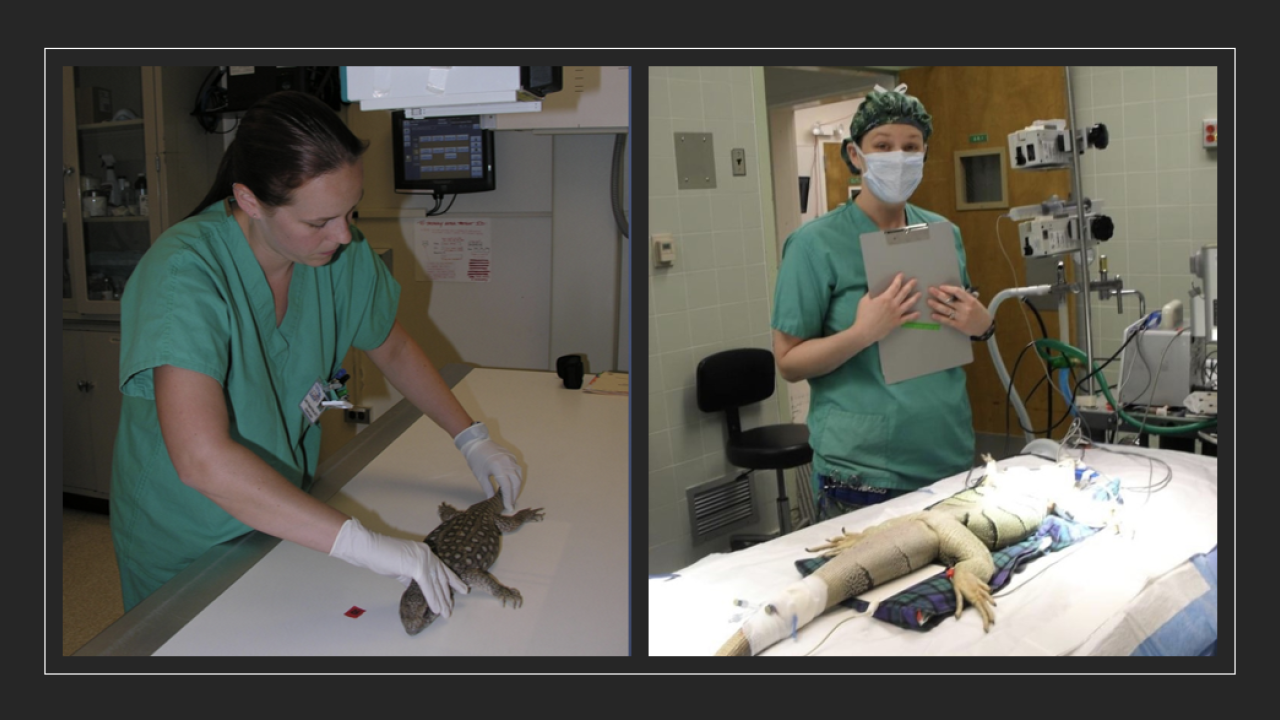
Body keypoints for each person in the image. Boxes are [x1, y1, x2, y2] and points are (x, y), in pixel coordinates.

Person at [109, 90, 524, 616]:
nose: (343, 235)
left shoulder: (337, 255)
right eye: (318, 222)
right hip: (190, 537)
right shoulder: (184, 274)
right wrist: (364, 544)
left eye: (350, 211)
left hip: (287, 516)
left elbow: (390, 344)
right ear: (251, 200)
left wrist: (471, 439)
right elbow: (200, 460)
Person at [770, 84, 995, 514]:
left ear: (925, 153)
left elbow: (955, 328)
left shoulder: (943, 233)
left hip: (946, 452)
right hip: (865, 471)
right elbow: (788, 362)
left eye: (911, 147)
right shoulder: (814, 245)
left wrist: (981, 324)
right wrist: (862, 333)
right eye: (883, 145)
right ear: (856, 155)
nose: (899, 157)